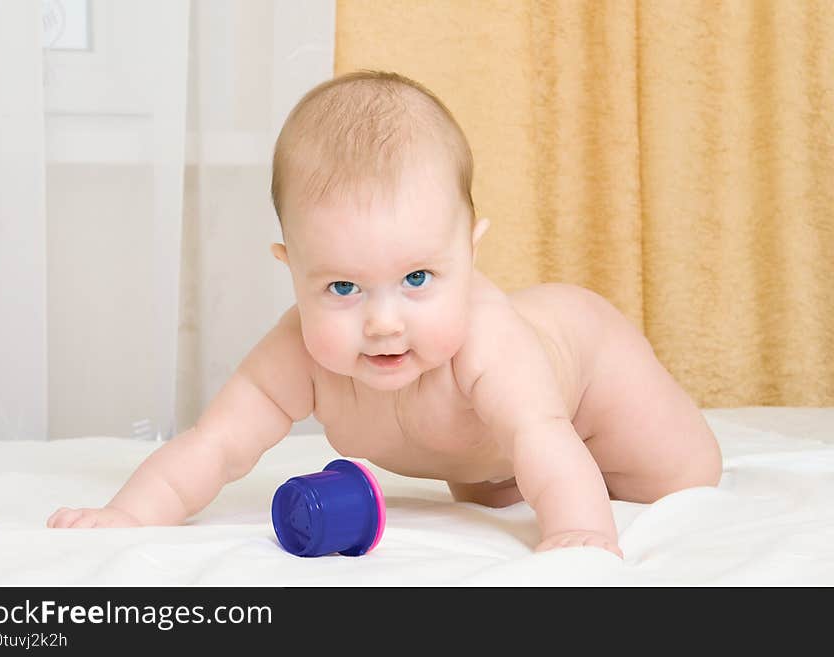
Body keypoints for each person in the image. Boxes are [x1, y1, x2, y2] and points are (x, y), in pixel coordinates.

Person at [47, 70, 722, 558]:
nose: (384, 322)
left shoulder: (488, 341)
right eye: (343, 288)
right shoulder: (296, 354)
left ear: (471, 251)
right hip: (482, 448)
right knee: (497, 489)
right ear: (291, 269)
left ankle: (589, 477)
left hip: (588, 365)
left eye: (418, 278)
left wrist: (582, 534)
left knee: (683, 475)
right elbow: (214, 446)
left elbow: (543, 435)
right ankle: (525, 476)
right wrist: (129, 514)